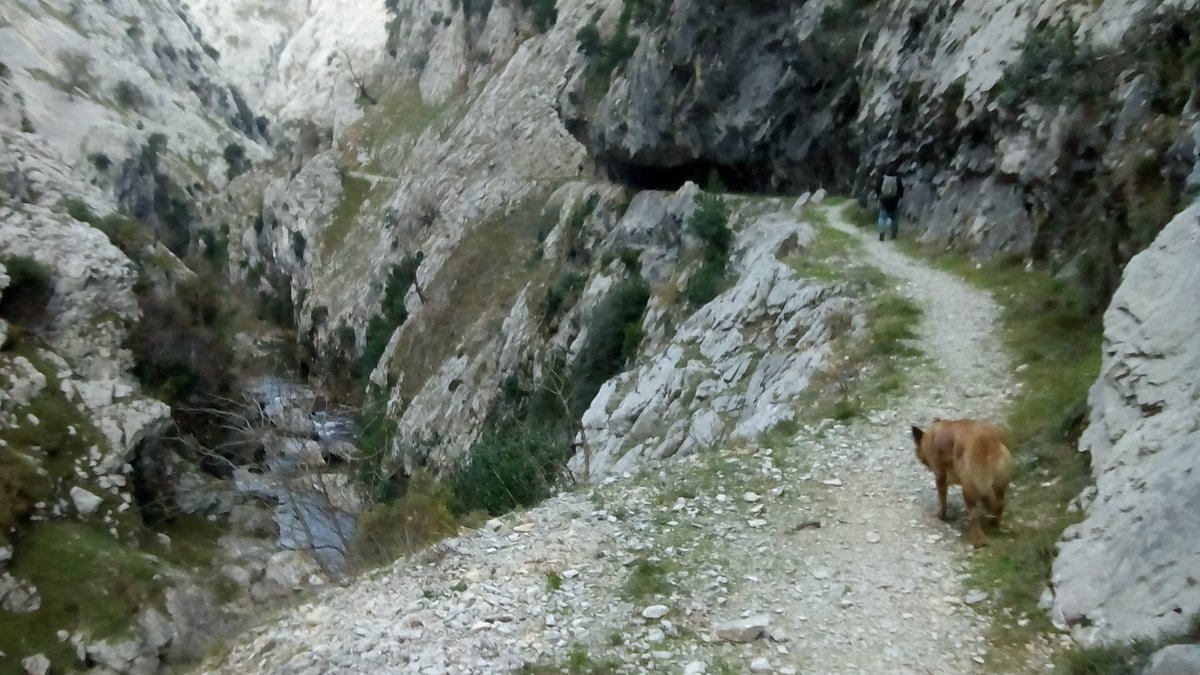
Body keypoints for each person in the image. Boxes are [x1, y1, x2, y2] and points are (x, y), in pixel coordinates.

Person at [876, 170, 904, 241]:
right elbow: (901, 191)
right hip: (894, 201)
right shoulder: (897, 179)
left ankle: (881, 233)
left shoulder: (882, 178)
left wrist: (878, 196)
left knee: (882, 218)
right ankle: (893, 235)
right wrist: (899, 197)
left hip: (884, 200)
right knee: (894, 218)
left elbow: (877, 188)